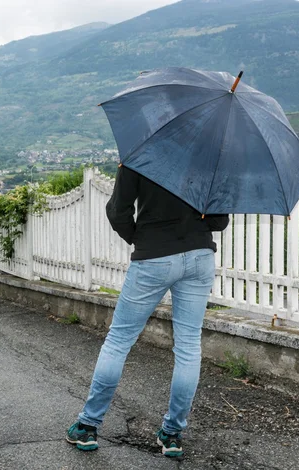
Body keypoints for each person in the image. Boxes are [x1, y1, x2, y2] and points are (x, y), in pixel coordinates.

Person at [66, 166, 229, 457]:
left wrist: (141, 239)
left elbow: (118, 211)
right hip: (200, 256)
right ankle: (173, 435)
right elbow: (219, 220)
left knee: (118, 341)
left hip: (154, 256)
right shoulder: (206, 156)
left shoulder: (140, 153)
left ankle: (87, 427)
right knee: (189, 347)